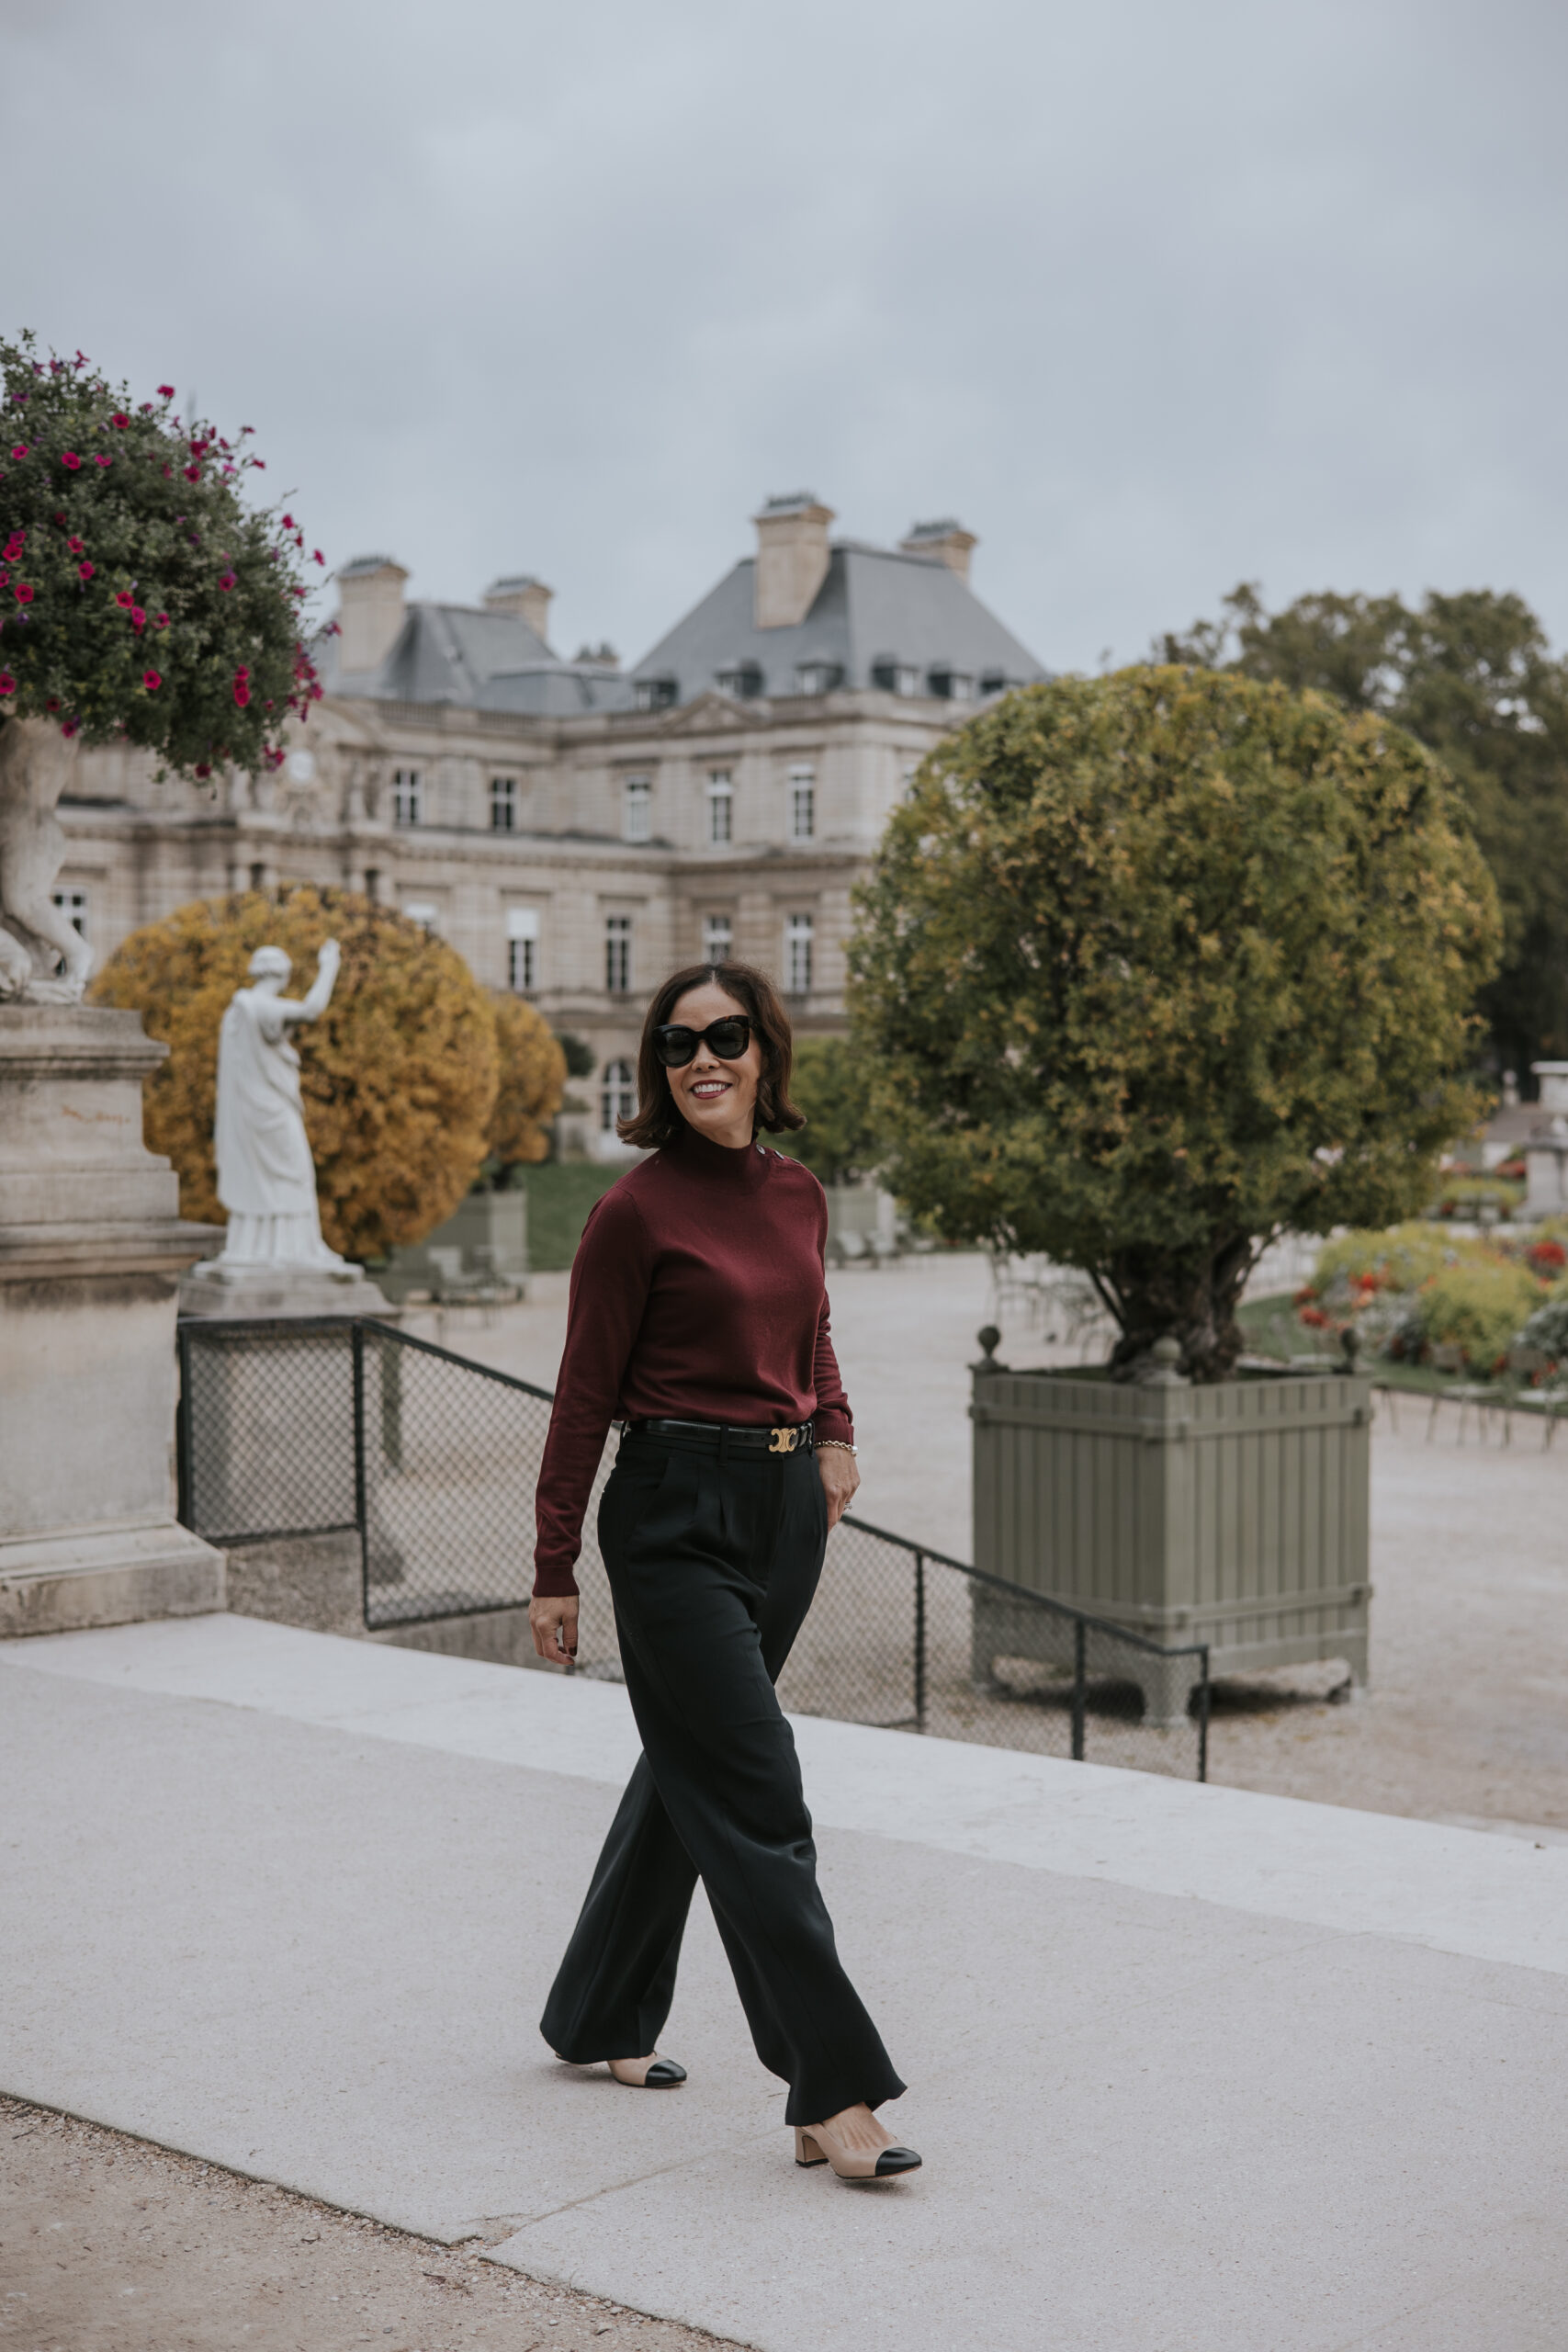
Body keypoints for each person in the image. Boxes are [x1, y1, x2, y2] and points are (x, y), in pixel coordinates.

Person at [531, 961, 920, 2185]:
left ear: (765, 1053)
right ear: (658, 1066)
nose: (702, 1057)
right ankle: (832, 2088)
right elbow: (582, 1395)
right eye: (677, 1041)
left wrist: (836, 1435)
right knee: (757, 1791)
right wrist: (554, 1563)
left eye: (726, 1036)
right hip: (668, 1519)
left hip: (783, 1509)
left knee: (692, 1762)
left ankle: (596, 2013)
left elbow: (809, 1330)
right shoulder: (634, 1211)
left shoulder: (794, 1191)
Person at [212, 940, 347, 1268]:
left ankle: (260, 1247)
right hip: (271, 1107)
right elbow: (312, 1009)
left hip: (250, 1109)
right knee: (296, 1174)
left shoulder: (238, 1010)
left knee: (263, 1177)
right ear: (282, 974)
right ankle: (295, 1249)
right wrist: (330, 965)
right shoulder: (263, 1007)